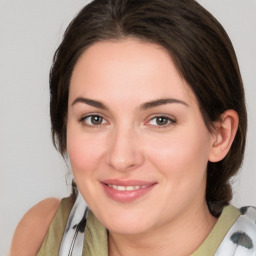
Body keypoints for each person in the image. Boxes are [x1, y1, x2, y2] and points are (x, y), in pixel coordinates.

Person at [10, 0, 256, 255]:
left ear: (220, 136)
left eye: (160, 120)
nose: (121, 158)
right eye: (95, 119)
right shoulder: (43, 231)